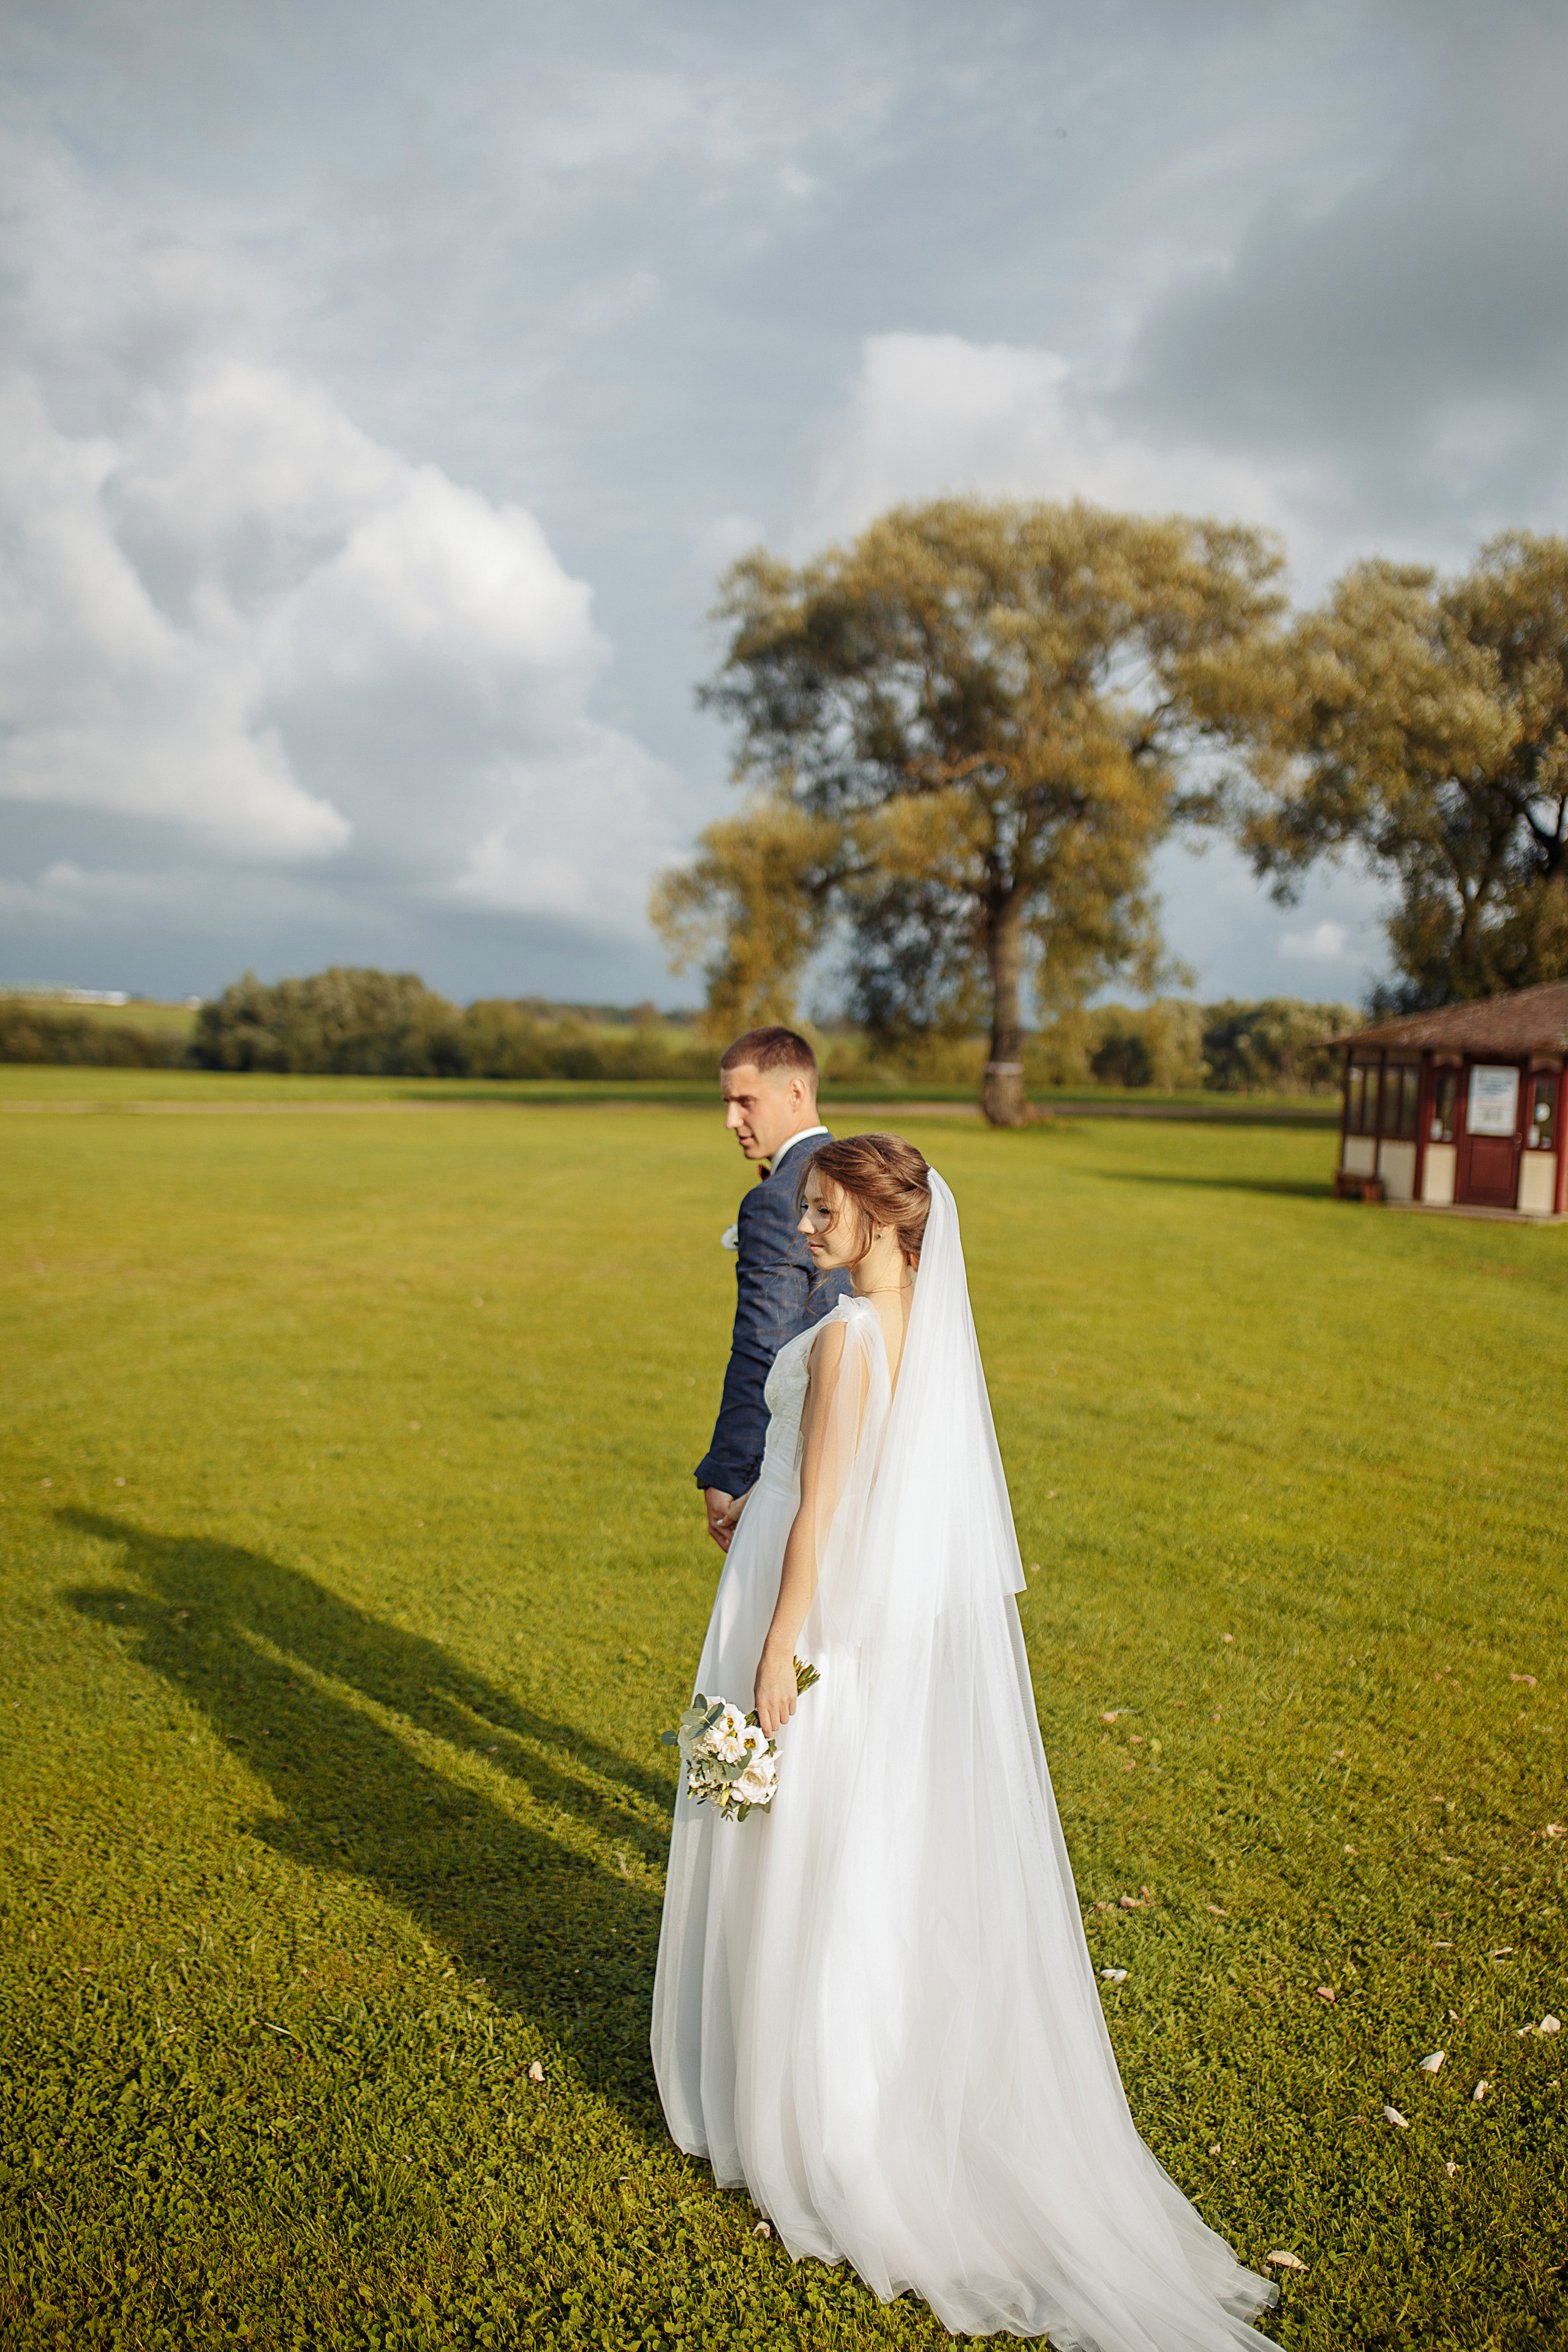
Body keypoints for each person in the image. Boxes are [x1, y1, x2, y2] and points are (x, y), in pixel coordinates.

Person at [653, 1136, 1278, 2349]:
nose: (807, 1228)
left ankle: (806, 2104)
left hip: (802, 1608)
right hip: (859, 1622)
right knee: (837, 1846)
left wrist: (775, 1647)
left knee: (794, 1842)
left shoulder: (850, 1336)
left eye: (825, 1212)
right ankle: (823, 2071)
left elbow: (821, 1510)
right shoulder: (916, 1333)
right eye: (807, 1210)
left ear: (885, 1224)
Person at [693, 1026, 850, 1556]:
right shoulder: (863, 1179)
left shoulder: (778, 1198)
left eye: (745, 1102)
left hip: (801, 1454)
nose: (731, 1120)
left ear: (796, 1093)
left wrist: (732, 1470)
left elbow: (765, 1345)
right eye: (727, 1103)